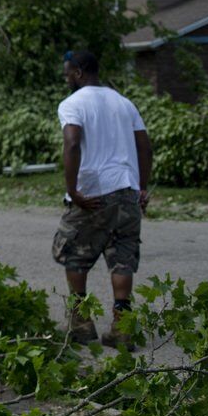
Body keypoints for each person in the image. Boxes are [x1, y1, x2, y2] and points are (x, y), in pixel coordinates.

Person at [53, 51, 153, 350]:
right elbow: (145, 148)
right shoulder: (124, 103)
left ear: (80, 72)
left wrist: (73, 191)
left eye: (68, 72)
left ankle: (81, 322)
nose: (66, 77)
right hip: (126, 191)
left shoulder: (73, 104)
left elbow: (72, 143)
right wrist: (141, 188)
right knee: (122, 256)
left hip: (93, 193)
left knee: (74, 253)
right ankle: (122, 328)